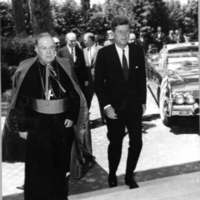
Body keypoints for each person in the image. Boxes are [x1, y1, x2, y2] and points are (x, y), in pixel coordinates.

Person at [2, 32, 93, 200]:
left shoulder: (64, 66)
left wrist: (72, 116)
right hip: (37, 127)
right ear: (36, 49)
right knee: (37, 175)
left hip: (61, 128)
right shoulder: (26, 69)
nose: (49, 52)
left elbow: (74, 95)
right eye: (44, 48)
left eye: (52, 47)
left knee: (59, 173)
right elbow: (20, 101)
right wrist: (22, 128)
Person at [95, 16, 146, 189]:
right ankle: (112, 173)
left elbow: (142, 78)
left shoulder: (137, 51)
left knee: (137, 143)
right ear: (113, 33)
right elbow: (98, 84)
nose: (124, 35)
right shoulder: (104, 54)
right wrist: (106, 106)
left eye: (127, 31)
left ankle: (130, 176)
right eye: (120, 31)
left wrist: (143, 101)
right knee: (115, 144)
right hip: (114, 109)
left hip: (134, 107)